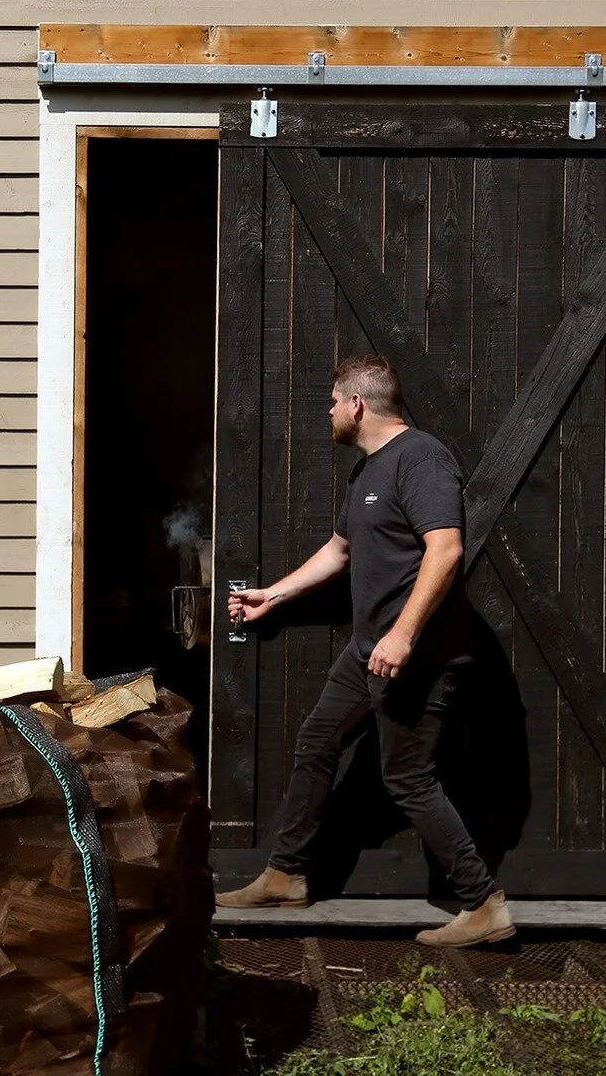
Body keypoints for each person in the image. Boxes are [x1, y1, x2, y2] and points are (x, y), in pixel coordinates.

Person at [214, 355, 514, 948]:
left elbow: (446, 551)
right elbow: (339, 552)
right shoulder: (367, 473)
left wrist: (402, 635)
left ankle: (482, 904)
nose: (327, 412)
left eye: (332, 401)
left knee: (408, 778)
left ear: (356, 404)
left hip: (417, 655)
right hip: (366, 650)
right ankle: (285, 875)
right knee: (317, 742)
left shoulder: (422, 458)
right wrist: (272, 595)